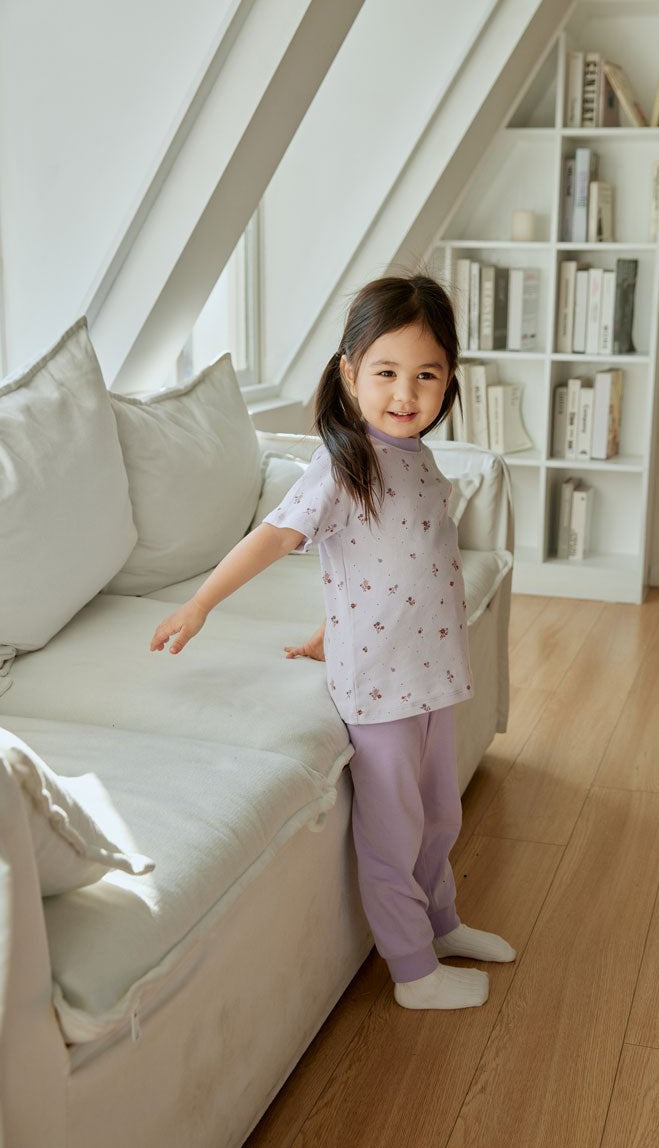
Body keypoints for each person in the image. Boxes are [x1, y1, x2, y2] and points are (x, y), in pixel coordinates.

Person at [149, 274, 516, 1010]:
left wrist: (331, 625)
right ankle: (413, 971)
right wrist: (201, 603)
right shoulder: (340, 469)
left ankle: (440, 923)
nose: (406, 393)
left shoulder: (419, 460)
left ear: (450, 381)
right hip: (381, 693)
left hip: (436, 675)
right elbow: (272, 540)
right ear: (350, 374)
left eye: (426, 375)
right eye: (386, 373)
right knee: (394, 830)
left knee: (442, 815)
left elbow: (393, 566)